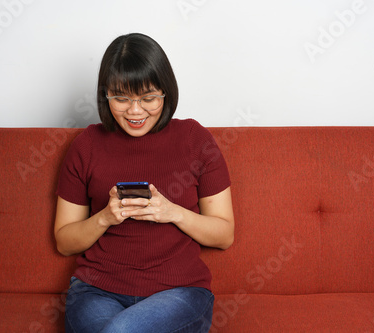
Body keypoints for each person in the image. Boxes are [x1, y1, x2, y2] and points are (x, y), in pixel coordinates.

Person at [54, 33, 234, 333]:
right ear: (105, 95)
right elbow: (64, 241)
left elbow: (224, 235)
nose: (135, 111)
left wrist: (172, 212)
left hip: (179, 292)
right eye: (121, 98)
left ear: (166, 93)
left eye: (148, 98)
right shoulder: (86, 145)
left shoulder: (195, 140)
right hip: (97, 290)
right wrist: (105, 218)